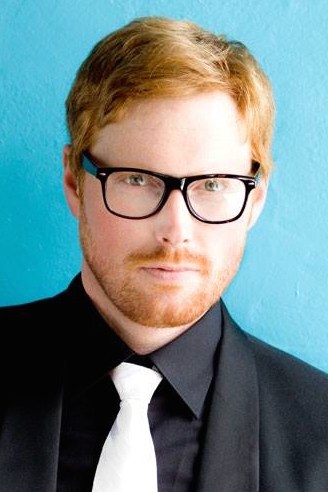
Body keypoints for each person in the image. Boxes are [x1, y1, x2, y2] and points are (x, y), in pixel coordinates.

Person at [1, 15, 328, 492]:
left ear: (254, 200)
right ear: (75, 182)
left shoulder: (320, 436)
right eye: (138, 179)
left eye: (214, 184)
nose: (177, 231)